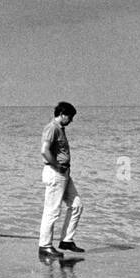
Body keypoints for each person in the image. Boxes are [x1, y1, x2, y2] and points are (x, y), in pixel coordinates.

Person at [38, 101, 84, 259]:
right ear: (62, 115)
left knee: (77, 205)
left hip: (64, 173)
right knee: (52, 211)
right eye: (70, 117)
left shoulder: (60, 129)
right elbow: (44, 151)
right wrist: (57, 166)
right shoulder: (52, 128)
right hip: (55, 172)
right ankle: (45, 246)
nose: (71, 120)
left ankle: (66, 240)